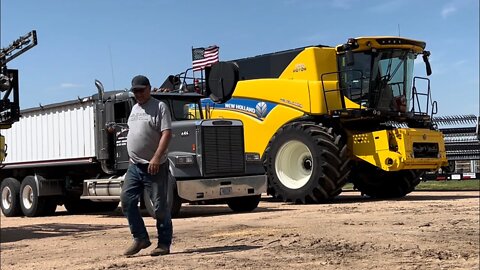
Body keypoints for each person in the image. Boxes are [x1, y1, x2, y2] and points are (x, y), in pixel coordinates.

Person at [121, 75, 173, 256]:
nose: (138, 94)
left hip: (155, 165)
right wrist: (131, 157)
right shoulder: (134, 108)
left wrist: (157, 158)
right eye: (135, 91)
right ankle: (140, 238)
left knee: (159, 207)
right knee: (127, 201)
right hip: (135, 166)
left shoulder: (159, 107)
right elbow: (134, 134)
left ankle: (164, 244)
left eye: (141, 90)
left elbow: (166, 133)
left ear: (149, 88)